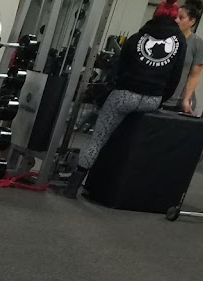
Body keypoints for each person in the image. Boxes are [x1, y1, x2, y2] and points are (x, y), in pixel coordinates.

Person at [65, 5, 187, 197]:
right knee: (132, 145)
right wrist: (160, 98)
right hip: (152, 100)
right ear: (173, 18)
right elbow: (175, 76)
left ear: (155, 14)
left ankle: (72, 187)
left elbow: (119, 69)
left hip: (125, 96)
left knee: (97, 140)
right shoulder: (180, 42)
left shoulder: (137, 37)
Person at [163, 0, 203, 114]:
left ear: (192, 21)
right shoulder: (167, 38)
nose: (177, 20)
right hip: (160, 96)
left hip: (178, 101)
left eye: (181, 18)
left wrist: (186, 100)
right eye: (175, 17)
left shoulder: (197, 43)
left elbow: (194, 75)